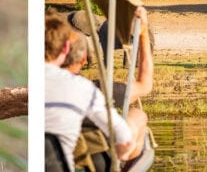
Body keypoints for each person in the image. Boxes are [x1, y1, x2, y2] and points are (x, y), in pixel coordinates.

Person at [45, 14, 147, 165]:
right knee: (137, 116)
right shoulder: (85, 89)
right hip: (73, 162)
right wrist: (143, 34)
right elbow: (124, 138)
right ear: (66, 48)